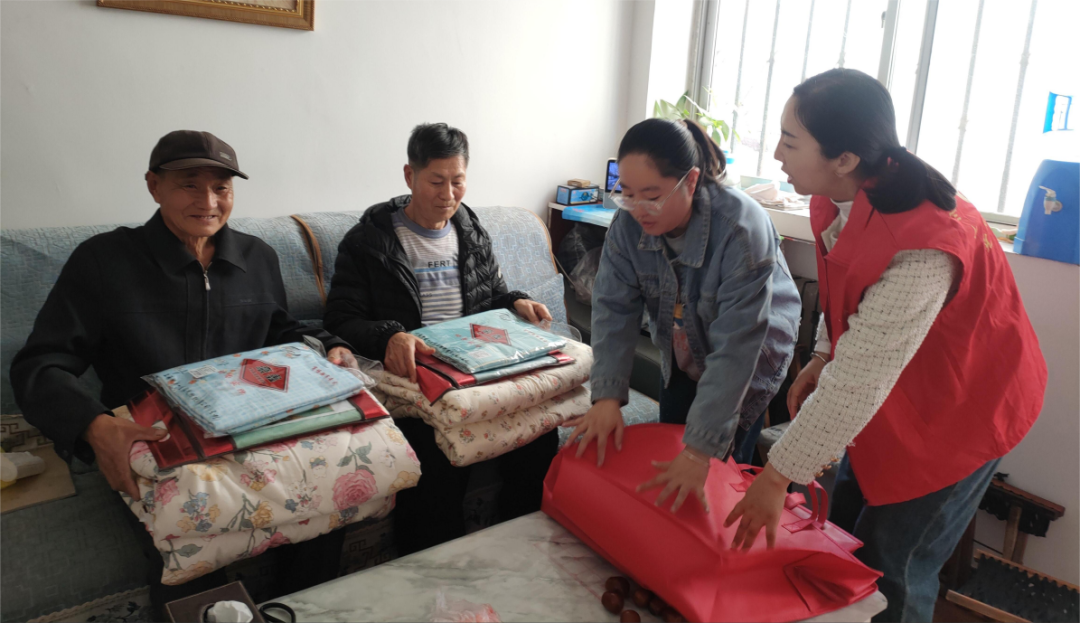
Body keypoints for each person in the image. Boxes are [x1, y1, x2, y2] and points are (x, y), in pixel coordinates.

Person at [724, 69, 1047, 622]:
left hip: (965, 412)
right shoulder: (839, 195)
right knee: (844, 535)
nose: (775, 153)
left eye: (790, 141)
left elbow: (859, 380)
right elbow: (849, 286)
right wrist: (823, 353)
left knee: (893, 564)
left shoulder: (925, 244)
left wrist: (777, 476)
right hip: (899, 395)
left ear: (845, 157)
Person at [10, 130, 360, 610]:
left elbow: (278, 330)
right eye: (189, 184)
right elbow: (40, 364)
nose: (208, 202)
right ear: (154, 186)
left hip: (252, 432)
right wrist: (93, 426)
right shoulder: (104, 261)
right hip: (158, 443)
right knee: (193, 555)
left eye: (221, 187)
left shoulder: (257, 256)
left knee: (324, 514)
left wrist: (330, 346)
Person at [324, 122, 556, 555]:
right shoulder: (369, 241)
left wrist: (517, 301)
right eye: (436, 181)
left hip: (475, 370)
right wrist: (391, 336)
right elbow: (340, 319)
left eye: (458, 181)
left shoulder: (470, 230)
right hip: (416, 380)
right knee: (434, 461)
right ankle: (435, 570)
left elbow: (491, 294)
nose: (448, 194)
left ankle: (519, 552)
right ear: (409, 176)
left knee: (539, 437)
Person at [568, 117, 801, 513]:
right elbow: (613, 308)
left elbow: (736, 350)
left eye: (651, 196)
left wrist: (699, 451)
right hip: (681, 346)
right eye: (627, 194)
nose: (638, 209)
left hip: (750, 358)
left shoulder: (741, 229)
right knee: (670, 458)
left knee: (716, 477)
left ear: (691, 181)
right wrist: (606, 396)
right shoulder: (628, 225)